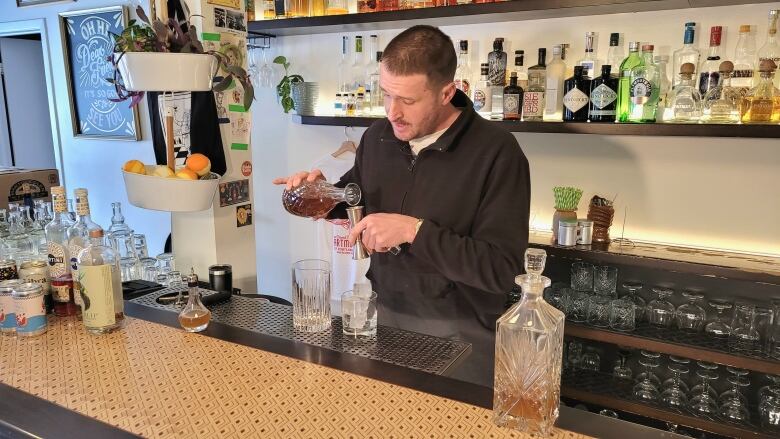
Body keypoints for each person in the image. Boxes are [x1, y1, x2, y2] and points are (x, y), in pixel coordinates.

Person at [273, 26, 530, 385]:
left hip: (462, 337)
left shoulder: (497, 153)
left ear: (446, 93)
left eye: (408, 101)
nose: (393, 113)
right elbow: (357, 197)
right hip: (384, 320)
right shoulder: (377, 137)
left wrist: (414, 230)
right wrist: (323, 196)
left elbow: (502, 269)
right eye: (386, 95)